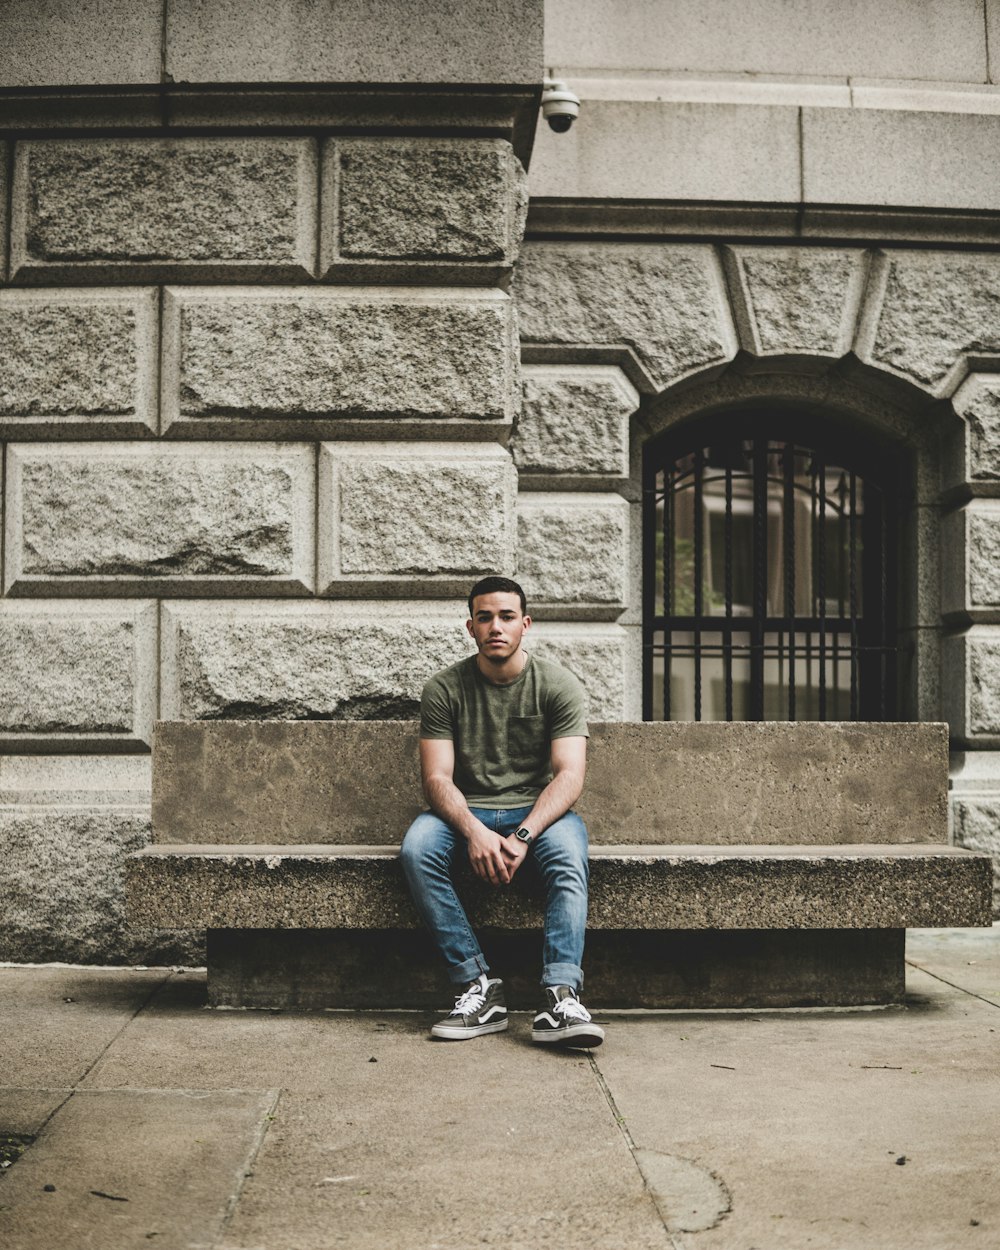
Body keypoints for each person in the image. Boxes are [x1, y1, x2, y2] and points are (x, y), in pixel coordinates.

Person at [400, 575, 604, 1049]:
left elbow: (569, 776)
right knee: (417, 849)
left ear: (525, 624)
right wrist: (473, 831)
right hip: (466, 814)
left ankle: (560, 996)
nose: (496, 626)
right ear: (470, 627)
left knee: (569, 855)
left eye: (507, 616)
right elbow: (436, 780)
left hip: (537, 814)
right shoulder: (444, 689)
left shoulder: (557, 685)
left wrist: (524, 835)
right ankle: (478, 986)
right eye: (485, 617)